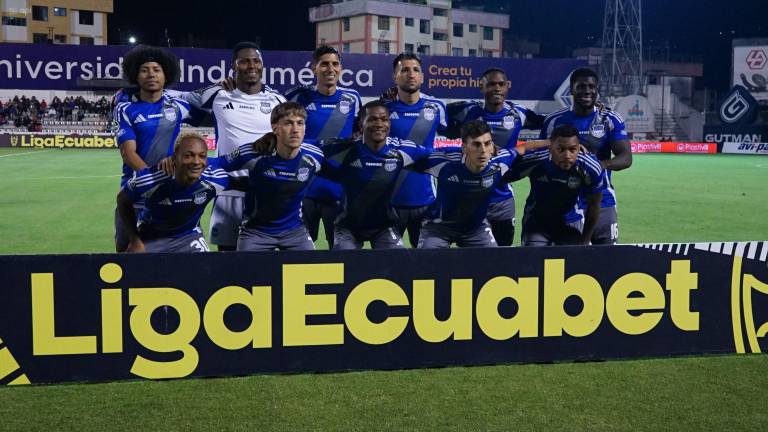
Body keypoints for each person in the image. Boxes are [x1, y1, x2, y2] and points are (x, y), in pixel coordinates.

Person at [175, 41, 286, 251]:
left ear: (262, 66)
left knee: (265, 258)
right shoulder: (217, 95)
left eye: (256, 61)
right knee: (227, 256)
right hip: (229, 189)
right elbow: (172, 98)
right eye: (244, 61)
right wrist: (127, 93)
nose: (251, 65)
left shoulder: (277, 99)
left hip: (266, 187)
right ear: (233, 67)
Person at [446, 67, 545, 246]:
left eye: (501, 84)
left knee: (503, 254)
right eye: (491, 84)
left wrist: (595, 109)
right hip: (471, 197)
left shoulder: (518, 113)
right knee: (472, 254)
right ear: (481, 87)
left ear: (507, 87)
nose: (497, 88)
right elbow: (436, 116)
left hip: (502, 198)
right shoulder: (467, 110)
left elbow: (549, 122)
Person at [412, 120, 547, 248]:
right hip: (438, 227)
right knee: (426, 264)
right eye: (476, 144)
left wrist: (552, 142)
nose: (483, 150)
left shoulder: (499, 163)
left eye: (487, 143)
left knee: (495, 265)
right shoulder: (444, 163)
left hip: (475, 229)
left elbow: (521, 148)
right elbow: (408, 159)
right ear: (464, 147)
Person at [321, 100, 433, 249]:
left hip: (384, 227)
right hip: (348, 226)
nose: (379, 124)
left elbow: (437, 155)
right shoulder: (345, 148)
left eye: (384, 119)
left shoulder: (401, 149)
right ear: (361, 125)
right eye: (372, 119)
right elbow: (309, 149)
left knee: (398, 264)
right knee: (343, 262)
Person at [539, 68, 631, 245]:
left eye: (591, 86)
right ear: (571, 89)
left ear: (597, 89)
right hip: (566, 202)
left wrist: (598, 165)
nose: (587, 90)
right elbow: (542, 155)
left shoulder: (609, 119)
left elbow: (626, 158)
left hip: (603, 199)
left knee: (608, 258)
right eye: (581, 86)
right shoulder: (555, 120)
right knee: (573, 261)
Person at [114, 45, 190, 252]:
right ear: (135, 76)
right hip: (134, 194)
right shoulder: (124, 108)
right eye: (144, 70)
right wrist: (151, 183)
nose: (151, 74)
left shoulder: (179, 105)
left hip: (170, 193)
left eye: (157, 70)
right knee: (126, 254)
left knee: (175, 253)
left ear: (166, 75)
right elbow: (128, 153)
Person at [219, 102, 324, 251]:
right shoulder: (255, 153)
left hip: (295, 232)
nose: (295, 130)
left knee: (311, 273)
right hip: (255, 233)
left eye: (300, 123)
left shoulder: (315, 156)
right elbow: (218, 163)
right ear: (275, 128)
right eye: (288, 123)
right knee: (245, 273)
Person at [285, 45, 362, 249]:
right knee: (298, 253)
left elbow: (359, 133)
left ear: (341, 68)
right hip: (303, 188)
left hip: (338, 191)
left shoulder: (352, 98)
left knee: (339, 253)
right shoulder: (298, 97)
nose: (330, 69)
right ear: (314, 68)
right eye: (324, 64)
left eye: (335, 64)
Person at [116, 133, 229, 253]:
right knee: (137, 268)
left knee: (207, 269)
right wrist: (135, 240)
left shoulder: (215, 180)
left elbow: (241, 182)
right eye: (188, 156)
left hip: (189, 237)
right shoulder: (151, 178)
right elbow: (122, 200)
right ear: (174, 158)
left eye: (202, 156)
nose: (196, 162)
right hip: (151, 237)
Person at [384, 52, 447, 247]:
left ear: (422, 76)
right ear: (395, 76)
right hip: (390, 201)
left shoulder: (436, 107)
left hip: (426, 201)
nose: (411, 74)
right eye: (404, 70)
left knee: (425, 264)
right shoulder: (383, 110)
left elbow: (456, 132)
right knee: (389, 263)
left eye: (415, 70)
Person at [508, 125, 607, 246]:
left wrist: (585, 239)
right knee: (534, 261)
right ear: (550, 147)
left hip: (571, 221)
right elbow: (504, 176)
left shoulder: (590, 167)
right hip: (537, 222)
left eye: (572, 150)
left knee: (572, 263)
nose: (567, 155)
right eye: (560, 149)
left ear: (579, 148)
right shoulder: (535, 160)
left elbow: (594, 204)